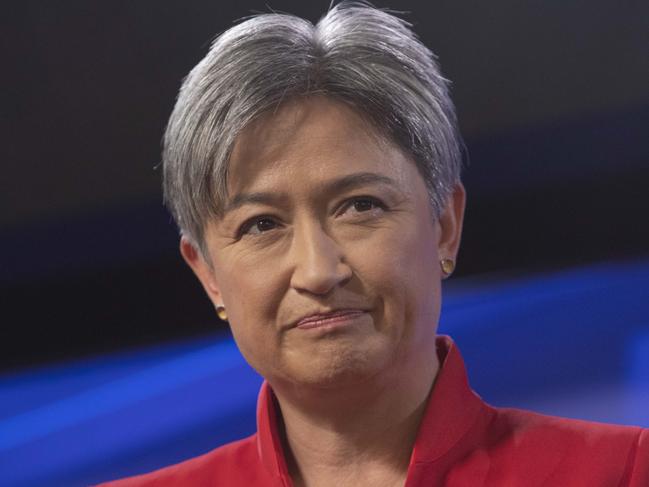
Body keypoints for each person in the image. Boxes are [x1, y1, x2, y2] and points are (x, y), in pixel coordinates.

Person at [101, 2, 648, 486]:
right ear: (209, 275)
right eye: (262, 225)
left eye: (361, 206)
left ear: (444, 226)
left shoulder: (624, 471)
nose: (318, 271)